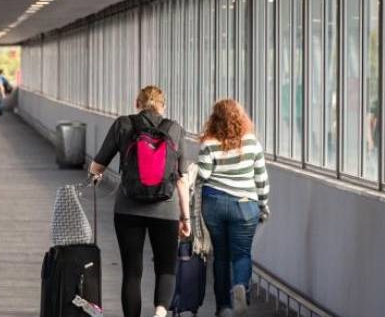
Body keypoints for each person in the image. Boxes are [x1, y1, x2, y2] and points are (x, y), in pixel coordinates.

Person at [87, 86, 191, 317]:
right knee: (166, 268)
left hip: (127, 207)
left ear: (137, 104)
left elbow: (97, 165)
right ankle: (160, 313)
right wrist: (186, 218)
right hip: (166, 209)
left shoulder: (123, 124)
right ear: (163, 106)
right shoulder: (175, 129)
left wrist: (95, 176)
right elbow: (182, 180)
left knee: (132, 272)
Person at [198, 99, 270, 317]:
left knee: (220, 256)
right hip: (245, 205)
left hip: (214, 204)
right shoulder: (252, 143)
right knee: (241, 254)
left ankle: (223, 307)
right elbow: (261, 179)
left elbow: (203, 175)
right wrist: (264, 205)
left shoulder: (209, 143)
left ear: (215, 119)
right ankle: (240, 286)